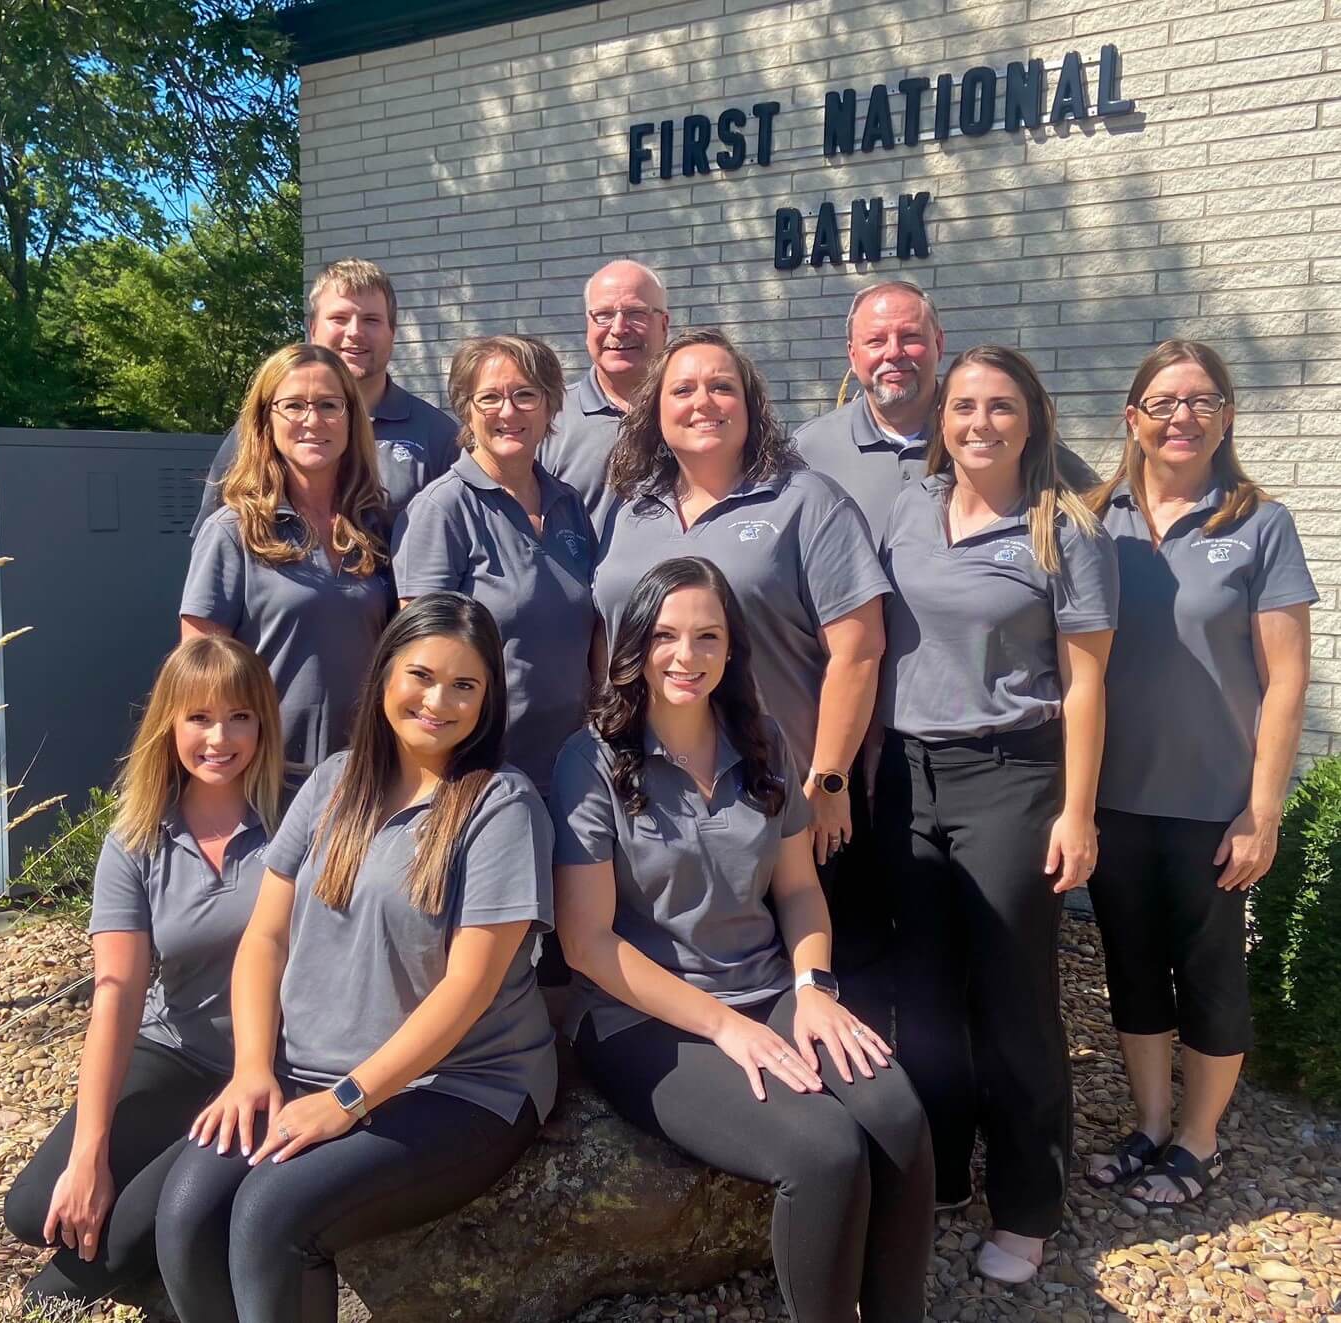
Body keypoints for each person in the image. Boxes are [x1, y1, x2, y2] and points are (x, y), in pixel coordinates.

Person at [154, 593, 556, 1323]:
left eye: (465, 685)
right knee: (184, 1216)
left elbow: (466, 988)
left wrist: (348, 1101)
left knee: (272, 1214)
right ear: (384, 677)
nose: (438, 701)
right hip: (307, 1067)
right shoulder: (334, 780)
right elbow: (264, 938)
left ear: (489, 698)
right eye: (421, 675)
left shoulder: (500, 806)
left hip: (461, 1087)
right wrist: (251, 1070)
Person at [552, 556, 934, 1323]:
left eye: (706, 636)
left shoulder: (758, 741)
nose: (684, 656)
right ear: (636, 645)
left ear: (731, 649)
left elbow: (797, 889)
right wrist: (727, 1028)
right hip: (643, 1017)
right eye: (664, 635)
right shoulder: (589, 760)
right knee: (823, 1149)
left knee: (897, 1118)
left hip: (768, 988)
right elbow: (587, 943)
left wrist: (814, 991)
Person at [876, 345, 1118, 1283]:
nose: (979, 422)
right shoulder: (908, 507)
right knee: (927, 995)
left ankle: (1026, 1203)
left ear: (1031, 419)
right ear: (940, 417)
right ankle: (941, 1166)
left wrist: (1078, 810)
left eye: (1000, 406)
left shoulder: (1062, 527)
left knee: (1013, 999)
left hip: (1012, 774)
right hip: (906, 771)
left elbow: (1089, 680)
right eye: (963, 405)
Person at [1083, 341, 1315, 1206]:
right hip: (1109, 798)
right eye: (1164, 400)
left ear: (1225, 416)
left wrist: (1263, 809)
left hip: (1212, 805)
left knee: (1209, 973)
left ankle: (1197, 1138)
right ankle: (1148, 1121)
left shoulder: (1258, 522)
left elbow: (1286, 677)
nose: (1183, 416)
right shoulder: (1088, 518)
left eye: (1202, 400)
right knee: (1131, 968)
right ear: (1132, 417)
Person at [3, 637, 286, 1304]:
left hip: (266, 1066)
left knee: (128, 1228)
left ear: (263, 724)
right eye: (200, 717)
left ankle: (49, 1301)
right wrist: (88, 1153)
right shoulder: (136, 839)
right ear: (170, 722)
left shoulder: (293, 818)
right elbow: (118, 996)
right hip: (173, 1049)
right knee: (34, 1206)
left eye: (240, 716)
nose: (220, 737)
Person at [593, 328, 889, 872]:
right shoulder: (631, 509)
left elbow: (859, 650)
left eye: (722, 387)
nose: (703, 402)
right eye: (683, 391)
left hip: (776, 797)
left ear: (751, 406)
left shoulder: (807, 501)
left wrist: (828, 779)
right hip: (645, 796)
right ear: (655, 411)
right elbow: (605, 638)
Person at [392, 334, 595, 801]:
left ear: (550, 407)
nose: (508, 411)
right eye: (489, 397)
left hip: (569, 765)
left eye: (526, 394)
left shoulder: (569, 506)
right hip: (477, 771)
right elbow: (418, 658)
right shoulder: (442, 509)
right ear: (466, 409)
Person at [181, 343, 395, 771]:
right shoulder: (232, 531)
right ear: (265, 420)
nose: (312, 420)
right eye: (294, 405)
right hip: (267, 775)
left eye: (329, 405)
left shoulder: (376, 526)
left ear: (351, 419)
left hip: (365, 770)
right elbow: (200, 675)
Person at [793, 280, 1100, 550]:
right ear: (853, 354)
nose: (893, 352)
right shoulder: (809, 450)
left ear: (939, 344)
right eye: (876, 341)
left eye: (910, 337)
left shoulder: (994, 436)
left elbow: (1097, 502)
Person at [192, 258, 457, 534]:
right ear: (313, 328)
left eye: (371, 320)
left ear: (393, 333)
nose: (355, 332)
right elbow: (215, 540)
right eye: (339, 318)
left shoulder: (438, 437)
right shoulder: (265, 426)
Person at [537, 259, 669, 534]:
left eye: (636, 313)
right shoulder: (546, 417)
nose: (619, 328)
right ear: (588, 324)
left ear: (664, 324)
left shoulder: (693, 415)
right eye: (604, 315)